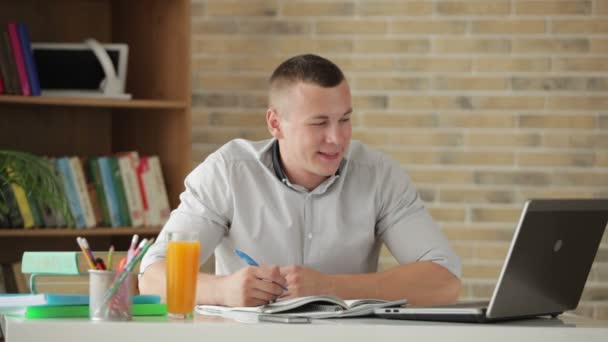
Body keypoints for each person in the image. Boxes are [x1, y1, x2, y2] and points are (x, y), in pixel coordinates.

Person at [139, 54, 461, 307]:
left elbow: (444, 280)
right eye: (319, 123)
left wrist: (330, 287)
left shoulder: (379, 176)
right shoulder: (227, 172)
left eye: (345, 119)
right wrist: (224, 290)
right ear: (275, 123)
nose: (337, 138)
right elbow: (151, 277)